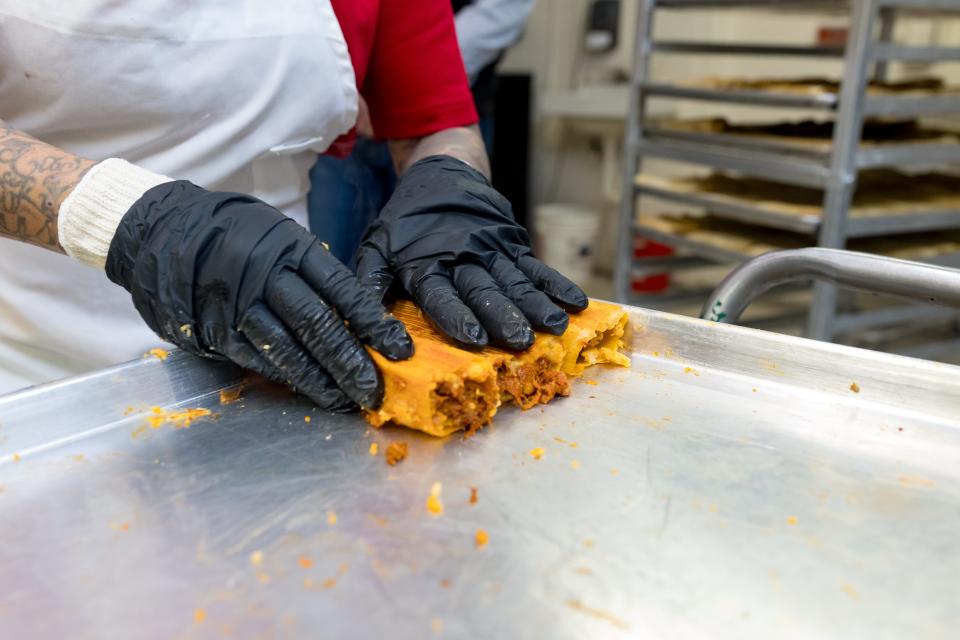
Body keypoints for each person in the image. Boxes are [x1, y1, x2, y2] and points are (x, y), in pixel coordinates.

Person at [0, 0, 586, 411]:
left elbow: (439, 125)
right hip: (40, 369)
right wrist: (121, 218)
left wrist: (449, 183)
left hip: (285, 354)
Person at [309, 0, 537, 265]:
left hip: (428, 107)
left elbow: (436, 118)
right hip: (330, 139)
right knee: (331, 256)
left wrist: (449, 181)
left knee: (430, 264)